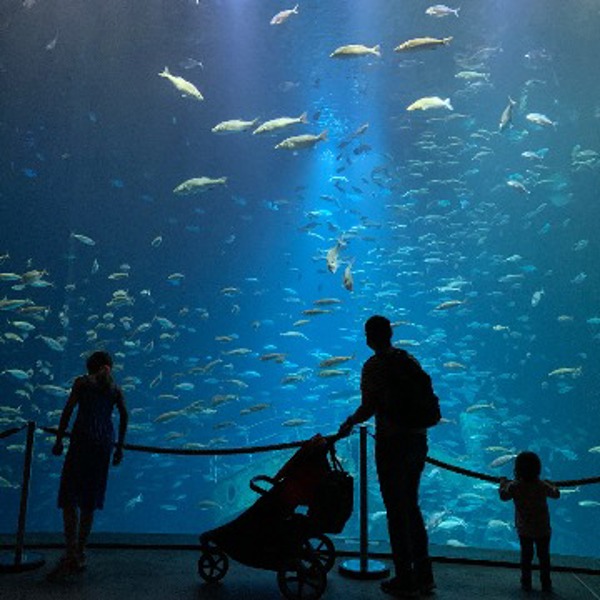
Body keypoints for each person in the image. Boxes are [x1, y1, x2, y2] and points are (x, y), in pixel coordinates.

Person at [337, 315, 434, 598]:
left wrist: (351, 421)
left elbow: (369, 406)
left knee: (395, 510)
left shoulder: (374, 365)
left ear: (369, 337)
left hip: (392, 442)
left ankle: (405, 577)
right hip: (418, 439)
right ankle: (425, 576)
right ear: (391, 334)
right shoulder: (409, 359)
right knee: (412, 507)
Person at [47, 351, 128, 581]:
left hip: (81, 442)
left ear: (90, 366)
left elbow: (69, 409)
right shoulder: (115, 389)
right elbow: (124, 416)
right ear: (108, 367)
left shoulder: (82, 383)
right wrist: (119, 446)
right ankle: (81, 551)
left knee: (70, 496)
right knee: (89, 500)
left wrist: (59, 439)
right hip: (103, 446)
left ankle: (70, 550)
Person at [499, 451, 560, 592]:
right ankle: (546, 583)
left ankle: (526, 582)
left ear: (517, 469)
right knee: (543, 556)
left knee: (526, 557)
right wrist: (552, 485)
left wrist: (503, 483)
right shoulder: (542, 485)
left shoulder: (514, 486)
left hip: (524, 529)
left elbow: (503, 496)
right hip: (543, 529)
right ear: (538, 468)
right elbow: (556, 495)